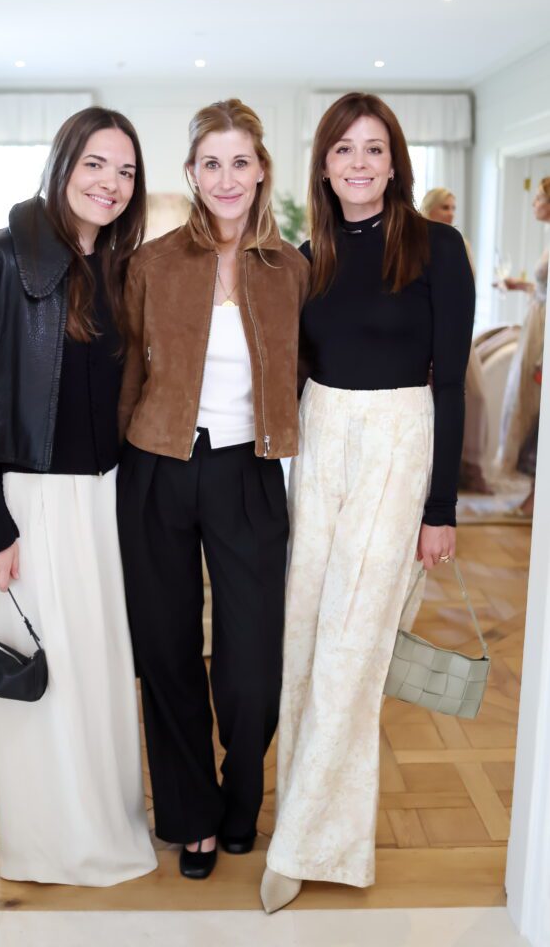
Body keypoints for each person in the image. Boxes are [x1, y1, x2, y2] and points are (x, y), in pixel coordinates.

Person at [0, 107, 158, 886]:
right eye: (94, 165)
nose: (110, 183)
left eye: (124, 171)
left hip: (99, 501)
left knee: (99, 675)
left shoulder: (115, 270)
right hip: (29, 504)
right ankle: (54, 845)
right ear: (62, 165)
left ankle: (107, 824)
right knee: (42, 677)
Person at [261, 92, 475, 913]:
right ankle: (307, 822)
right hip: (320, 444)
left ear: (394, 162)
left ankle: (304, 846)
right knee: (308, 638)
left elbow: (450, 381)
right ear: (323, 165)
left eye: (373, 148)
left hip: (397, 441)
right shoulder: (302, 254)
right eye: (343, 149)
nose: (358, 162)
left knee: (353, 648)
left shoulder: (436, 246)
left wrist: (441, 507)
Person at [116, 99, 309, 880]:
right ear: (191, 174)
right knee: (165, 652)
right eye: (210, 163)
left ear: (260, 169)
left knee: (251, 667)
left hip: (250, 474)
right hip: (157, 468)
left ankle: (241, 795)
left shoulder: (293, 268)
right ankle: (191, 817)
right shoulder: (153, 262)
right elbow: (126, 373)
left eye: (239, 162)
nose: (225, 178)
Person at [420, 187, 493, 494]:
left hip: (456, 332)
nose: (451, 213)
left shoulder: (461, 243)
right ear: (430, 209)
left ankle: (469, 466)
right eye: (445, 207)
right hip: (426, 334)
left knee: (474, 397)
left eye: (453, 207)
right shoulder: (420, 241)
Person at [496, 176, 550, 517]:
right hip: (536, 322)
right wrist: (521, 287)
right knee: (529, 406)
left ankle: (536, 495)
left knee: (536, 410)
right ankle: (533, 494)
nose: (533, 204)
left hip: (543, 331)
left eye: (539, 198)